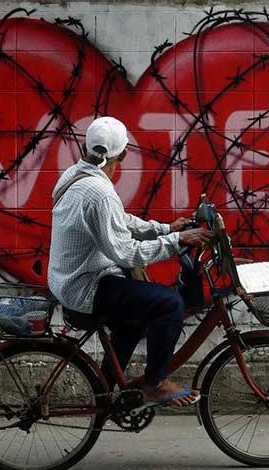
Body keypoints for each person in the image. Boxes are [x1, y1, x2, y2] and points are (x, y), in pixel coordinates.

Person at [48, 116, 214, 406]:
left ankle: (105, 391)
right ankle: (156, 383)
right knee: (168, 303)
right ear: (123, 154)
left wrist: (164, 228)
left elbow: (117, 222)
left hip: (70, 278)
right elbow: (126, 253)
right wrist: (179, 242)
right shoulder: (100, 193)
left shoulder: (75, 175)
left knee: (134, 318)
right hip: (85, 285)